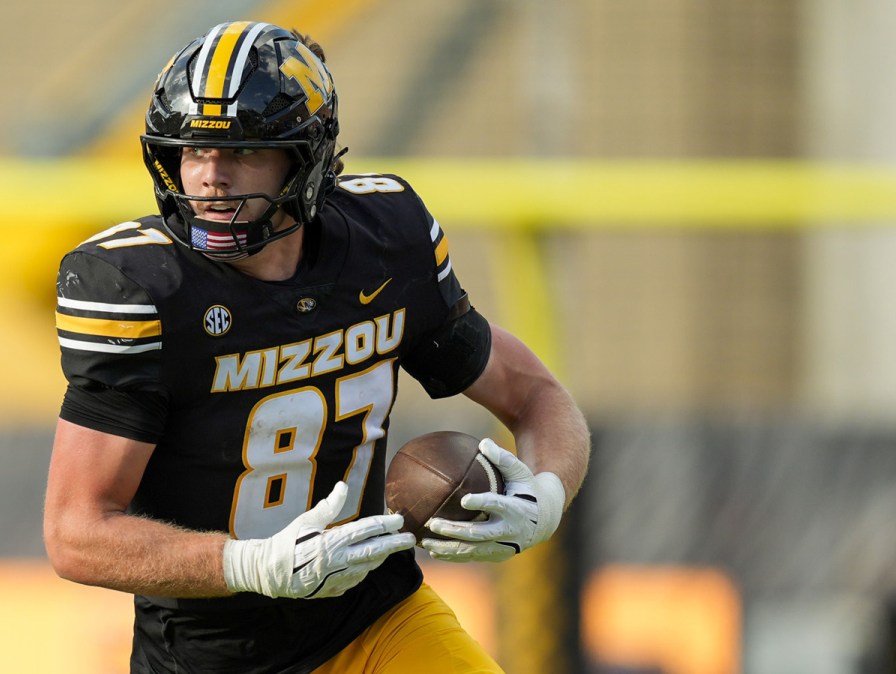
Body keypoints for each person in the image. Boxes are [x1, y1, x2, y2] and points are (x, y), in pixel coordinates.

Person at [43, 21, 590, 674]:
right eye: (193, 151)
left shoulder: (384, 242)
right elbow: (75, 533)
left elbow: (535, 395)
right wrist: (250, 564)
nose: (211, 178)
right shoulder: (140, 288)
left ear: (307, 158)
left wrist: (546, 496)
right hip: (212, 658)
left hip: (375, 620)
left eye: (244, 151)